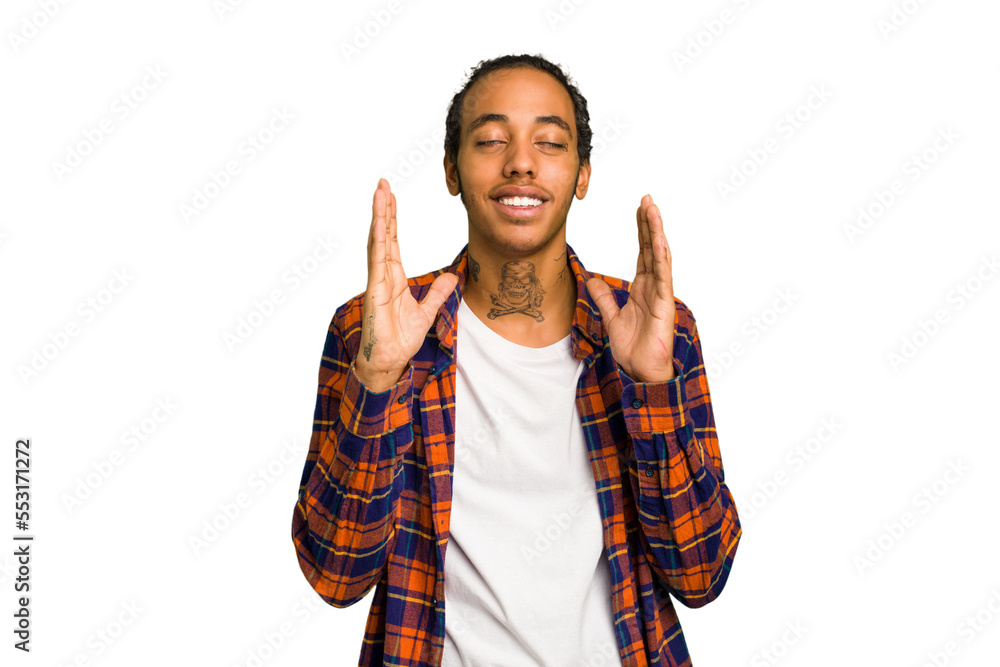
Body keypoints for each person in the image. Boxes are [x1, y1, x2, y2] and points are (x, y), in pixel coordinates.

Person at [291, 53, 741, 667]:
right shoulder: (372, 329)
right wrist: (377, 381)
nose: (521, 162)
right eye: (491, 140)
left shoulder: (655, 328)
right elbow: (335, 575)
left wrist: (651, 386)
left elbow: (701, 575)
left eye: (550, 142)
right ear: (451, 170)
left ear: (582, 174)